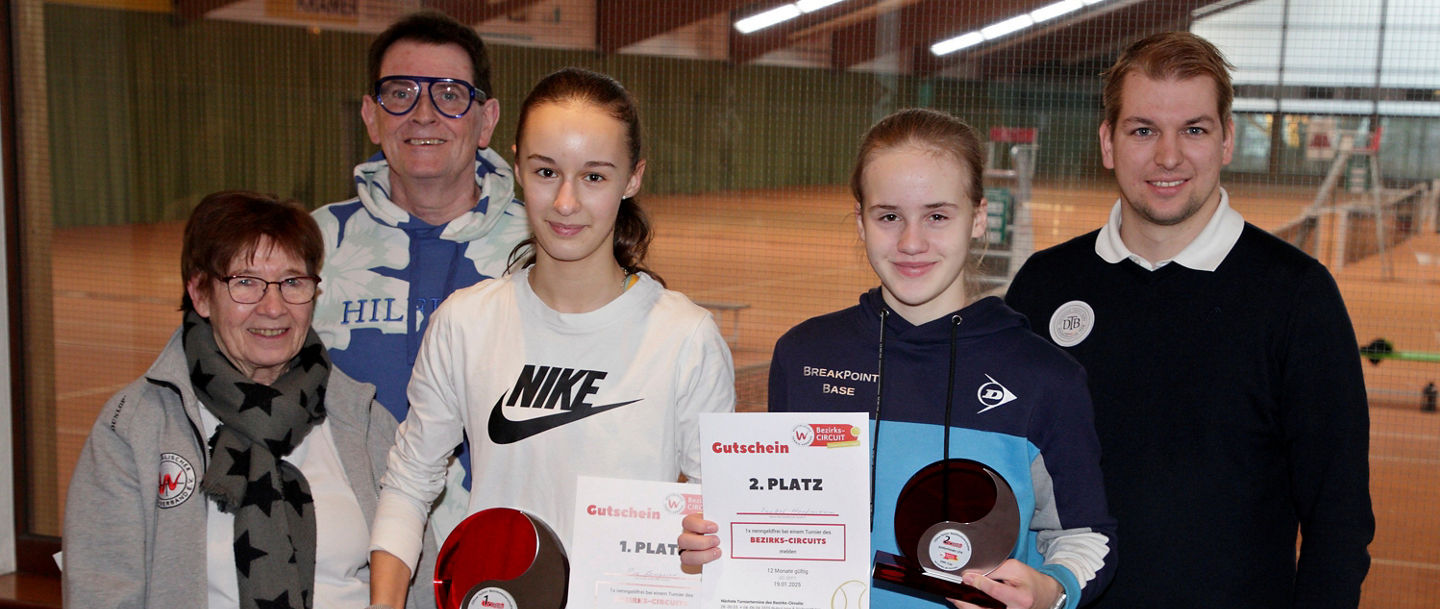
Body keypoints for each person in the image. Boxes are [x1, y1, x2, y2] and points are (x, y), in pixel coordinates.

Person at [679, 108, 1116, 609]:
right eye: (888, 216)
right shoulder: (804, 355)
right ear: (861, 222)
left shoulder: (1045, 378)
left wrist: (1050, 589)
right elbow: (782, 519)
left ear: (977, 218)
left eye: (937, 215)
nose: (911, 242)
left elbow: (1086, 537)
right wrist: (714, 542)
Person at [1004, 31, 1374, 608]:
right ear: (1108, 142)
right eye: (1143, 130)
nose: (1168, 156)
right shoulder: (1044, 285)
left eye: (1194, 130)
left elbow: (1338, 518)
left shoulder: (1298, 296)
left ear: (1226, 141)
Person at [367, 67, 735, 608]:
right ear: (516, 166)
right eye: (545, 171)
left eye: (594, 177)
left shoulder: (686, 338)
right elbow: (408, 483)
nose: (565, 203)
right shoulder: (464, 324)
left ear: (632, 179)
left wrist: (701, 548)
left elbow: (716, 518)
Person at [62, 191, 433, 609]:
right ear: (200, 294)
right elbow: (101, 593)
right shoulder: (134, 428)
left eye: (293, 282)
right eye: (245, 283)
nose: (273, 308)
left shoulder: (363, 419)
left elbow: (418, 587)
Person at [310, 11, 528, 544]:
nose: (423, 114)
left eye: (450, 94)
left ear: (487, 118)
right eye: (400, 92)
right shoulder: (313, 245)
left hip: (503, 558)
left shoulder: (547, 247)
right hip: (345, 556)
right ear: (371, 115)